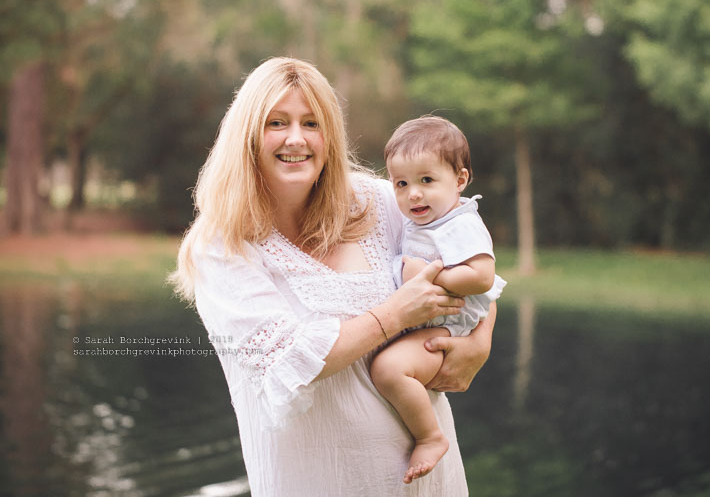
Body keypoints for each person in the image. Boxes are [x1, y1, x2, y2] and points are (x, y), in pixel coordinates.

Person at [169, 57, 495, 496]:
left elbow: (473, 267)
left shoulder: (380, 202)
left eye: (312, 123)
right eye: (276, 122)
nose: (296, 139)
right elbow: (288, 360)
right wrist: (393, 315)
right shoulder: (222, 246)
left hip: (430, 483)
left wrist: (479, 343)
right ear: (246, 136)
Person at [371, 116, 506, 484]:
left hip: (449, 326)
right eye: (401, 183)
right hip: (432, 319)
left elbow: (482, 276)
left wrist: (429, 276)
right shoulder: (426, 221)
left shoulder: (458, 224)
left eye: (426, 180)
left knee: (388, 369)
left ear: (460, 180)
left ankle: (430, 437)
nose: (413, 193)